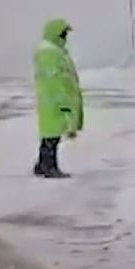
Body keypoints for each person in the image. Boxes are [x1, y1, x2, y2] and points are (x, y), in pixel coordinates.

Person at [33, 18, 83, 178]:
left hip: (54, 98)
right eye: (63, 34)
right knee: (52, 135)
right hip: (54, 99)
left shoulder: (54, 51)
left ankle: (42, 165)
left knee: (51, 134)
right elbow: (54, 78)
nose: (65, 38)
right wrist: (62, 99)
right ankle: (49, 167)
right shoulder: (50, 53)